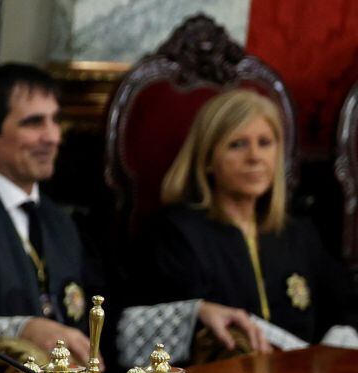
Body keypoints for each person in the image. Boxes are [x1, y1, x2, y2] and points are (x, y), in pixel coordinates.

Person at [0, 64, 265, 369]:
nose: (53, 137)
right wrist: (26, 330)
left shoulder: (64, 223)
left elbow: (110, 321)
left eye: (56, 121)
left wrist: (194, 315)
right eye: (33, 123)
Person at [141, 89, 357, 350]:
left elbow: (345, 307)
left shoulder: (298, 232)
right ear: (207, 158)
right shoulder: (176, 233)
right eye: (237, 144)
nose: (255, 157)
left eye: (265, 143)